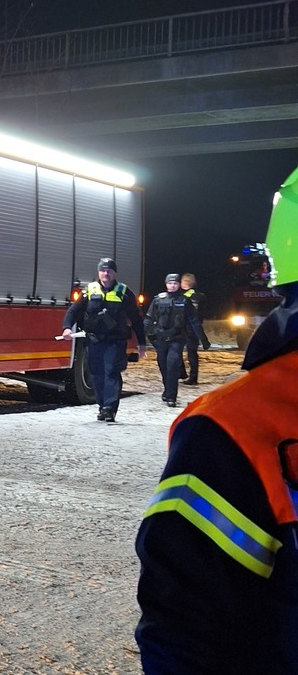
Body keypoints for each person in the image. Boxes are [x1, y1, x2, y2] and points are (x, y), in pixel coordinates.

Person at [134, 163, 298, 675]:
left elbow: (182, 628)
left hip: (180, 346)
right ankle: (143, 397)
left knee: (173, 372)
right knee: (164, 375)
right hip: (163, 347)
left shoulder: (230, 428)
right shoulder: (232, 431)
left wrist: (197, 345)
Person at [61, 257, 149, 422]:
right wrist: (66, 327)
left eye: (109, 270)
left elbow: (136, 319)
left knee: (111, 372)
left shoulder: (124, 292)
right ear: (98, 272)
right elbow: (74, 310)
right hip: (94, 341)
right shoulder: (90, 290)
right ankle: (102, 406)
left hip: (115, 342)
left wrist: (141, 343)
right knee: (96, 374)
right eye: (103, 270)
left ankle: (110, 408)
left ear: (114, 273)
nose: (105, 273)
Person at [143, 273, 208, 407]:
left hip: (177, 339)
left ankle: (172, 395)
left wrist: (203, 339)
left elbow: (194, 321)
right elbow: (148, 319)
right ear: (166, 284)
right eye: (170, 283)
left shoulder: (184, 301)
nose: (172, 285)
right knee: (163, 366)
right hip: (160, 338)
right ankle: (167, 390)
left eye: (175, 283)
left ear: (179, 285)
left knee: (172, 365)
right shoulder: (158, 299)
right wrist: (141, 337)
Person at [178, 272, 207, 384]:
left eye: (185, 281)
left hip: (189, 328)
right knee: (181, 351)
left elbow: (198, 314)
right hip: (187, 328)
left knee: (190, 353)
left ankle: (192, 377)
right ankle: (184, 374)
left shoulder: (194, 296)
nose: (183, 284)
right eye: (183, 281)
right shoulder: (183, 295)